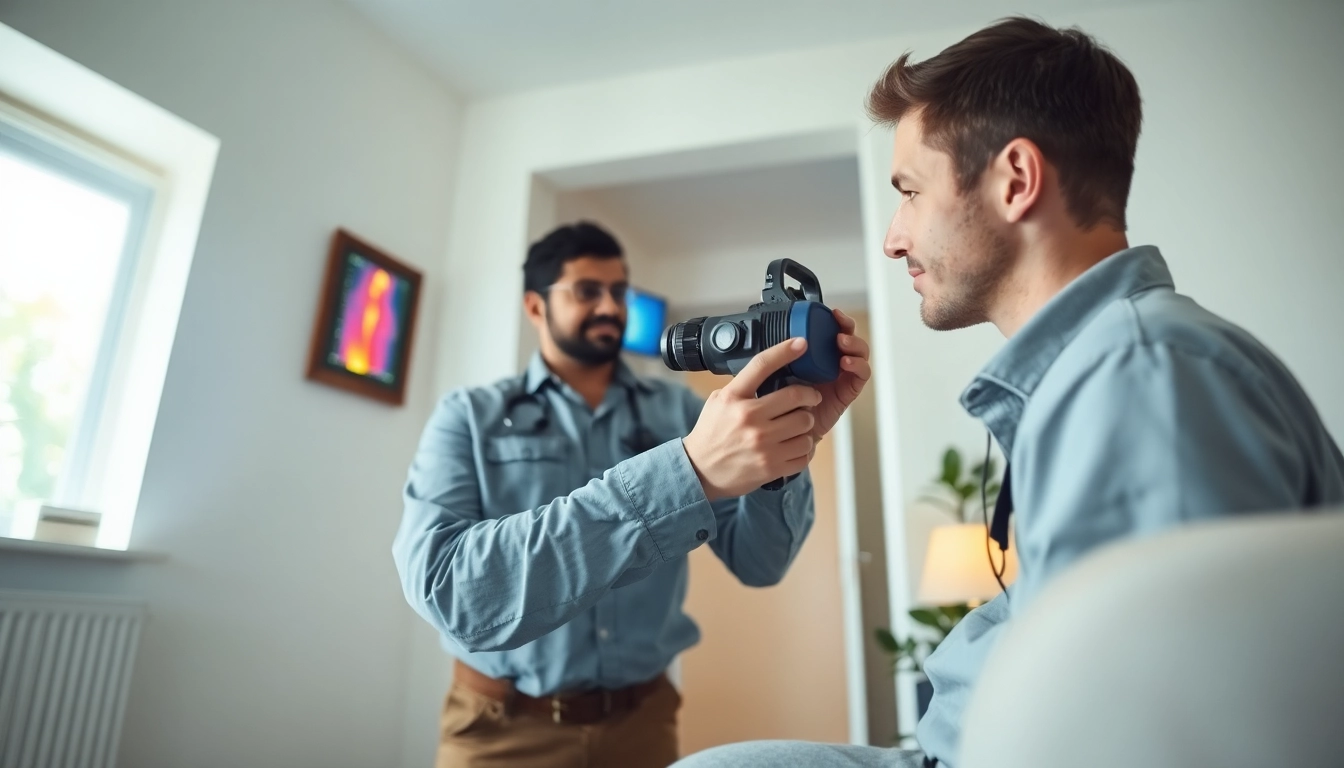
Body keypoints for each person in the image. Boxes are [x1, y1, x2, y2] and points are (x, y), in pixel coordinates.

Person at [676, 15, 1344, 768]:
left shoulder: (1138, 379)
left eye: (910, 193)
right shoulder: (1105, 372)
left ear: (1016, 181)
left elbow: (1159, 738)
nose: (894, 239)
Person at [392, 221, 872, 768]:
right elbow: (451, 590)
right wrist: (686, 471)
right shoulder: (470, 417)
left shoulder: (679, 412)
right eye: (586, 291)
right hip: (502, 732)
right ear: (533, 307)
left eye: (619, 292)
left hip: (642, 726)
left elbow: (761, 564)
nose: (609, 306)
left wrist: (792, 443)